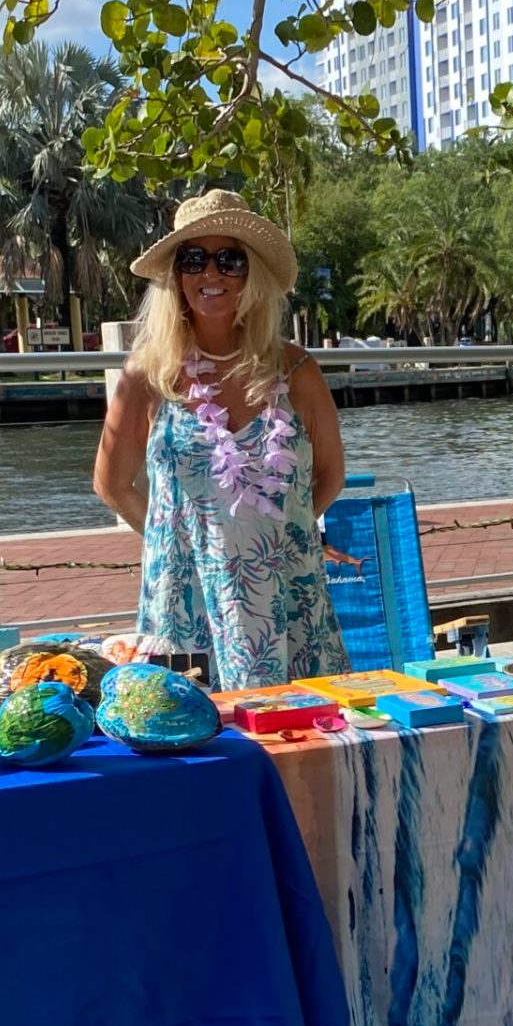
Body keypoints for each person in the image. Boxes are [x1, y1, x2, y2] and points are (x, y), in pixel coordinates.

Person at [93, 190, 348, 690]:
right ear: (176, 276)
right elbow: (112, 484)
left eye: (229, 260)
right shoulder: (148, 374)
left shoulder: (296, 369)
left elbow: (331, 474)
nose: (211, 275)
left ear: (251, 274)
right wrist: (180, 541)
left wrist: (282, 532)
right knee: (190, 744)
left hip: (288, 599)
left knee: (303, 745)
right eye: (194, 259)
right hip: (184, 604)